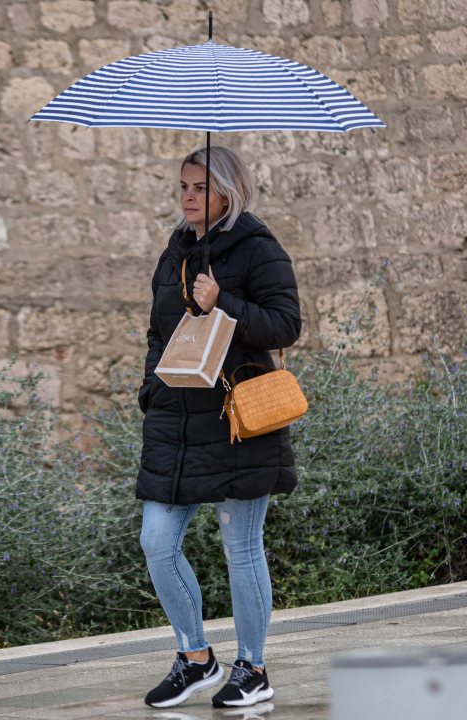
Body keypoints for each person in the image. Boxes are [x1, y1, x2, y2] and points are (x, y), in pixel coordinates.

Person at [136, 145, 301, 709]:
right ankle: (196, 657)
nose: (187, 196)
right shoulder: (176, 251)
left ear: (227, 192)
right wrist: (151, 388)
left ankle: (252, 669)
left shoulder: (258, 248)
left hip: (238, 422)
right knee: (156, 542)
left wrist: (222, 300)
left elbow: (285, 325)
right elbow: (158, 331)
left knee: (241, 548)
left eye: (199, 187)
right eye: (183, 186)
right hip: (176, 422)